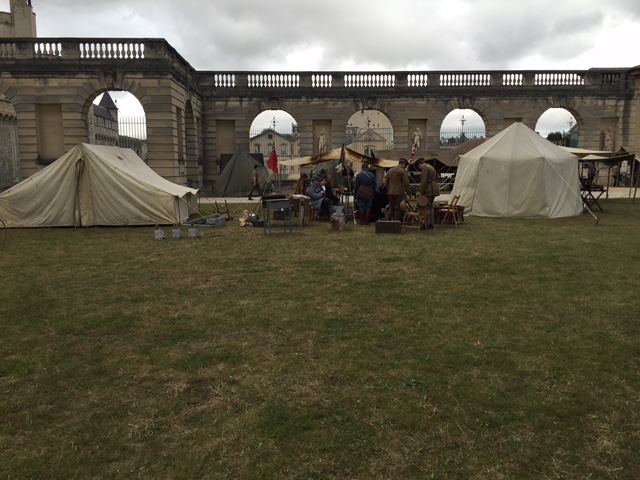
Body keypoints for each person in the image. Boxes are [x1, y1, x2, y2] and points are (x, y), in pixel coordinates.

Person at [417, 160, 440, 229]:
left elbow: (424, 181)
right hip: (433, 188)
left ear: (421, 164)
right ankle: (431, 223)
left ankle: (425, 224)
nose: (420, 169)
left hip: (428, 190)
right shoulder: (431, 167)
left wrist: (421, 191)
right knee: (430, 207)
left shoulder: (425, 168)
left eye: (419, 167)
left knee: (425, 207)